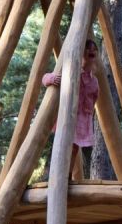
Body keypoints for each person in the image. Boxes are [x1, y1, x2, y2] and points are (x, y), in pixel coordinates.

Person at [42, 38, 101, 181]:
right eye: (88, 48)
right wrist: (51, 79)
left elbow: (95, 96)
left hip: (83, 118)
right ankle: (56, 174)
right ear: (81, 52)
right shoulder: (71, 71)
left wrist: (89, 112)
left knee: (75, 148)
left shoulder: (94, 80)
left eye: (94, 49)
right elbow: (45, 78)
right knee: (64, 144)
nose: (91, 51)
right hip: (68, 115)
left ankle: (67, 175)